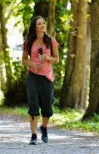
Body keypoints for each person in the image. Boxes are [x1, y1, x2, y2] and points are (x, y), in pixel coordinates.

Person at [21, 16, 59, 145]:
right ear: (34, 27)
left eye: (43, 23)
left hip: (47, 78)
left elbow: (57, 59)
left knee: (47, 107)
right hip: (33, 77)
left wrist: (48, 57)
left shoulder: (51, 41)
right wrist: (31, 64)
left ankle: (44, 128)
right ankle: (33, 136)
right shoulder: (29, 42)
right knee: (33, 105)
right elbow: (24, 60)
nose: (42, 25)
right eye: (39, 24)